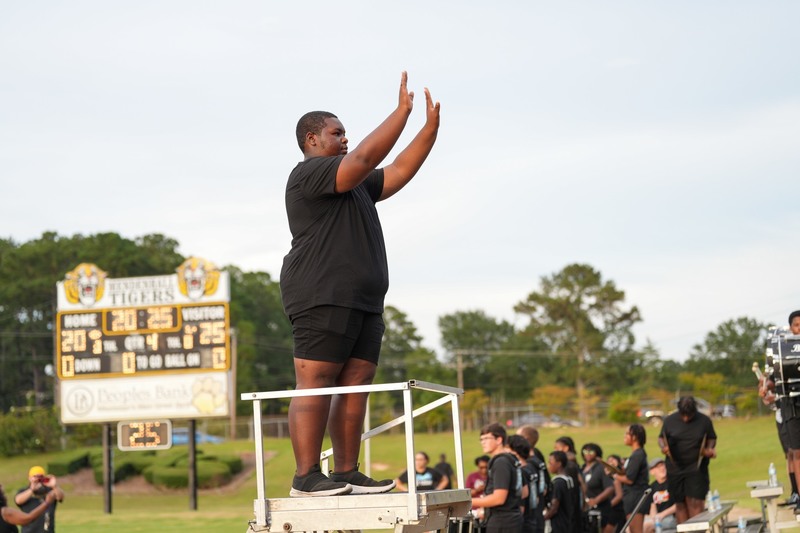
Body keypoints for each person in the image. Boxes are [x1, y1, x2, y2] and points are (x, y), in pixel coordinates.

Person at [279, 71, 441, 497]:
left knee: (357, 383)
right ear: (312, 139)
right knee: (317, 380)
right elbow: (366, 158)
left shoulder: (357, 187)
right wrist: (401, 114)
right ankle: (305, 476)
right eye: (337, 133)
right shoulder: (308, 174)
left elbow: (398, 170)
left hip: (365, 300)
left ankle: (346, 470)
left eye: (347, 133)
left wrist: (428, 131)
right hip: (320, 293)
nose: (345, 139)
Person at [760, 311, 800, 508]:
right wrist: (766, 388)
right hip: (790, 406)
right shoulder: (782, 351)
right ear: (790, 328)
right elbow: (771, 379)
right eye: (797, 325)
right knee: (795, 452)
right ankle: (797, 493)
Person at [658, 396, 717, 522]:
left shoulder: (704, 421)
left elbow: (712, 437)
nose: (685, 418)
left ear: (694, 411)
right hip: (675, 468)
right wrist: (664, 447)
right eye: (683, 415)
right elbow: (661, 438)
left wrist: (709, 449)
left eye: (689, 415)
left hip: (697, 468)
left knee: (695, 502)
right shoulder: (669, 421)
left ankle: (697, 530)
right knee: (680, 504)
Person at [472, 423, 523, 533]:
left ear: (499, 440)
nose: (483, 442)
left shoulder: (501, 462)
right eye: (481, 439)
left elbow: (499, 498)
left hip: (503, 522)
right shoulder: (511, 459)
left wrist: (469, 502)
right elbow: (523, 492)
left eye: (486, 438)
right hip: (511, 519)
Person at [615, 424, 649, 533]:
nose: (624, 436)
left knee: (636, 530)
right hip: (631, 497)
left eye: (627, 434)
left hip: (636, 497)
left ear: (634, 437)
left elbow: (629, 479)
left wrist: (614, 475)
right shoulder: (635, 454)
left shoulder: (638, 454)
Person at [517, 425, 549, 533]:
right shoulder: (537, 460)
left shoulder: (528, 464)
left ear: (525, 439)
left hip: (531, 519)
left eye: (517, 437)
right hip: (537, 517)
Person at [14, 467, 64, 533]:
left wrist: (54, 486)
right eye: (35, 477)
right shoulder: (24, 491)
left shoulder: (50, 491)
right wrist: (32, 490)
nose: (38, 479)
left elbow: (60, 497)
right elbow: (18, 500)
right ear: (29, 478)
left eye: (41, 477)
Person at [581, 443, 615, 533]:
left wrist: (596, 500)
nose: (588, 454)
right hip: (586, 508)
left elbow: (610, 487)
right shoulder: (582, 468)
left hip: (600, 508)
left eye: (591, 451)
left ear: (597, 453)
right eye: (585, 451)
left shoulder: (600, 468)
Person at [544, 451, 577, 533]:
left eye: (550, 463)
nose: (548, 466)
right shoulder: (569, 479)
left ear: (559, 464)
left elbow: (554, 508)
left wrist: (543, 518)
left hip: (557, 525)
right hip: (567, 521)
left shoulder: (558, 483)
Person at [643, 458, 677, 533]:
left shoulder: (673, 483)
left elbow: (679, 504)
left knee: (646, 526)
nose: (662, 468)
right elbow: (653, 506)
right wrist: (654, 517)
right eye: (658, 467)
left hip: (672, 517)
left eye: (663, 465)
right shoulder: (652, 487)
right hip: (659, 518)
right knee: (631, 526)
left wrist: (662, 515)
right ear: (652, 471)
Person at [604, 455, 627, 533]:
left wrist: (606, 506)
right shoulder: (605, 477)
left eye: (613, 460)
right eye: (609, 460)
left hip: (616, 510)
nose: (610, 462)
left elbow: (619, 496)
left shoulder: (617, 478)